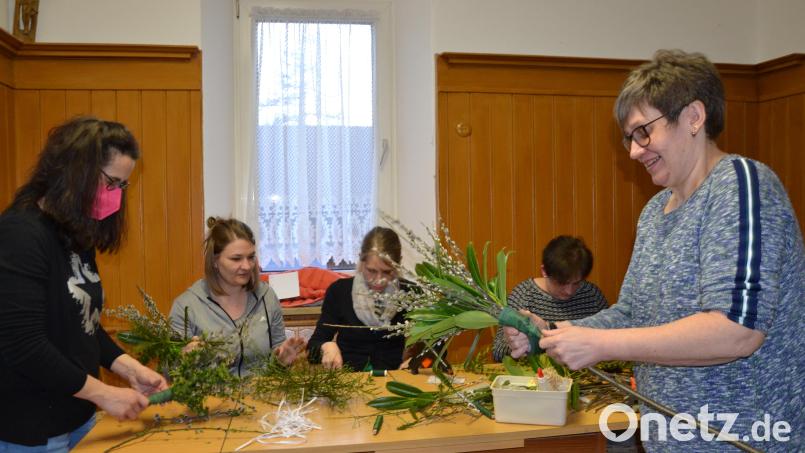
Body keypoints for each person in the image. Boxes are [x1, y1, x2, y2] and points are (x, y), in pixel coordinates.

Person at [504, 50, 803, 452]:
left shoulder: (740, 184)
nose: (633, 151)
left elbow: (737, 330)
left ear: (694, 117)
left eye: (643, 132)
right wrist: (552, 333)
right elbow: (632, 314)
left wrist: (602, 345)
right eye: (629, 137)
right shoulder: (653, 212)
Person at [0, 116, 168, 450]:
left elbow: (84, 324)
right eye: (111, 183)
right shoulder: (21, 234)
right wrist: (105, 394)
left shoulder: (75, 233)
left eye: (123, 186)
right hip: (33, 429)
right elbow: (22, 343)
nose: (116, 197)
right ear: (76, 171)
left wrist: (130, 369)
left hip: (77, 418)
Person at [169, 217, 305, 377]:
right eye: (236, 259)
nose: (247, 266)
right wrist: (184, 358)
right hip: (210, 399)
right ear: (214, 260)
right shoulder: (186, 306)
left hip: (262, 397)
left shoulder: (267, 297)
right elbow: (170, 372)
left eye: (251, 257)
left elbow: (277, 357)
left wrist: (282, 361)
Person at [492, 235, 608, 361]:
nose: (569, 291)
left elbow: (612, 338)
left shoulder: (592, 295)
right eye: (561, 283)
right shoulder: (524, 295)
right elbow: (498, 352)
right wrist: (517, 345)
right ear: (544, 271)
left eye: (576, 283)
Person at [307, 227, 408, 371]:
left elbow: (435, 347)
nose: (378, 280)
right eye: (371, 271)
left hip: (394, 381)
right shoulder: (340, 292)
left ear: (399, 263)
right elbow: (312, 350)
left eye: (387, 272)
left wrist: (417, 359)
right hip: (351, 382)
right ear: (361, 260)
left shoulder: (410, 293)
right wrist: (326, 346)